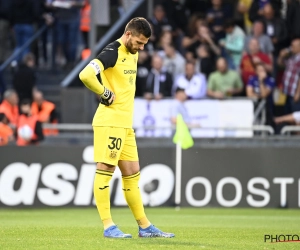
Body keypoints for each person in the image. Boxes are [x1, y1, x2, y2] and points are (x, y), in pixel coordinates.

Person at [79, 17, 174, 238]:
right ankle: (108, 226)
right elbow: (85, 74)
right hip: (109, 121)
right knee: (106, 170)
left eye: (145, 44)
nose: (142, 47)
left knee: (132, 173)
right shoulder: (112, 51)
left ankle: (144, 226)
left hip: (125, 124)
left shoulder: (133, 52)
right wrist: (103, 92)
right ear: (128, 34)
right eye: (139, 42)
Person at [278, 39, 300, 114]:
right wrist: (281, 56)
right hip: (287, 92)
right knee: (287, 114)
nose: (291, 48)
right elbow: (280, 65)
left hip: (295, 94)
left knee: (296, 116)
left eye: (293, 46)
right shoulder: (292, 58)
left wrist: (298, 93)